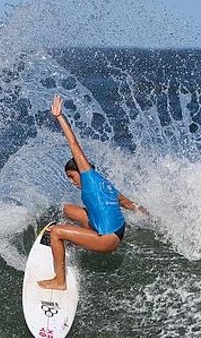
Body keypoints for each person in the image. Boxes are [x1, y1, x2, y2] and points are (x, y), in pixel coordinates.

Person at [38, 94, 147, 291]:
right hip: (117, 230)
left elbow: (73, 144)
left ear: (81, 171)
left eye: (72, 176)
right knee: (69, 210)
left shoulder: (87, 175)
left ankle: (59, 281)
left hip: (108, 240)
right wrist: (150, 216)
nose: (72, 182)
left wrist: (59, 117)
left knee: (56, 232)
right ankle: (76, 239)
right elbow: (129, 204)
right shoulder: (103, 183)